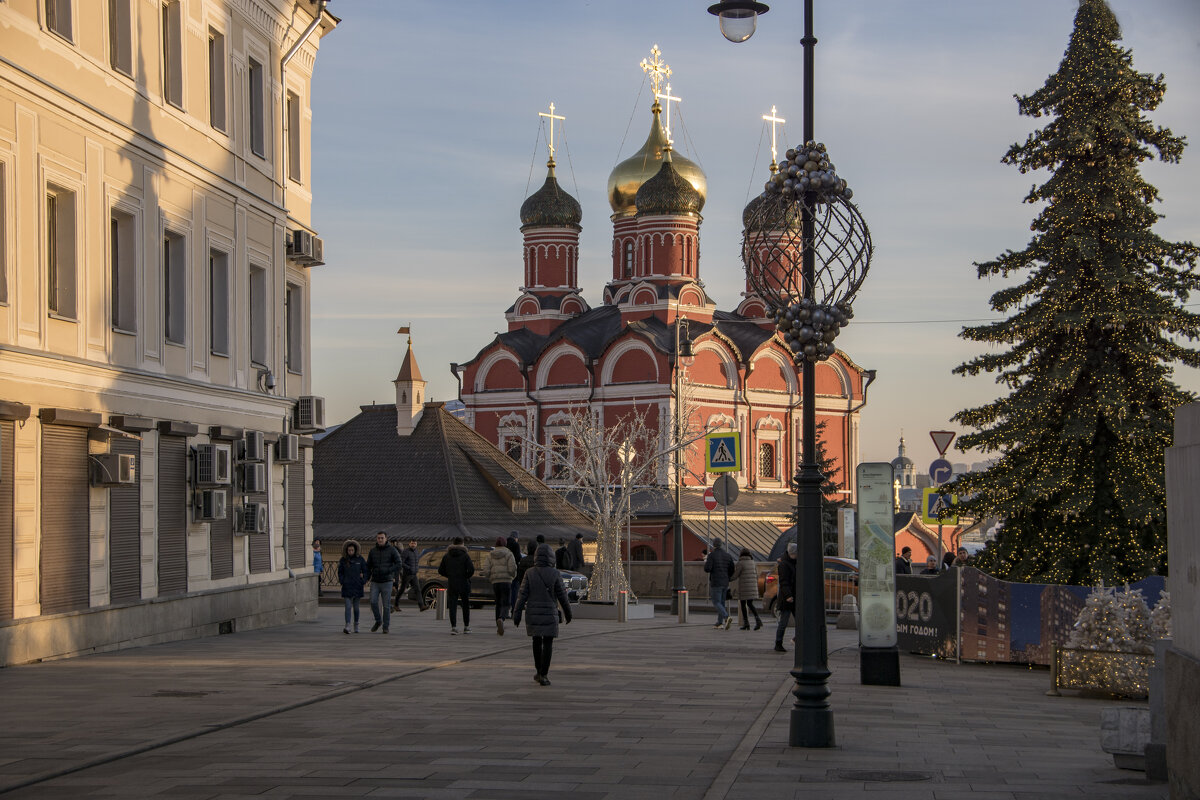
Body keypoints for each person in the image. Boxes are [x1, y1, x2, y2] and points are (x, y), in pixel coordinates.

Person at [513, 543, 573, 685]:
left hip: (533, 612)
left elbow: (522, 595)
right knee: (548, 642)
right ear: (551, 557)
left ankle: (538, 671)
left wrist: (517, 614)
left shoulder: (530, 573)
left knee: (536, 641)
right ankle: (544, 674)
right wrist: (568, 612)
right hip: (549, 612)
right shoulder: (555, 573)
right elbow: (562, 596)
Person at [438, 536, 475, 634]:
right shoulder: (465, 556)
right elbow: (471, 570)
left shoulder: (446, 556)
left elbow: (440, 570)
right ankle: (466, 627)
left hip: (452, 583)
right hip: (464, 582)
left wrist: (450, 575)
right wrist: (466, 576)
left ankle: (454, 627)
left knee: (453, 605)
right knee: (465, 605)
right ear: (462, 544)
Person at [366, 532, 402, 633]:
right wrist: (366, 577)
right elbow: (368, 566)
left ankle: (386, 626)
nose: (380, 540)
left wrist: (389, 570)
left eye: (382, 538)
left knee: (386, 605)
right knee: (373, 601)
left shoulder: (392, 550)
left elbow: (399, 563)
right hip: (375, 580)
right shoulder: (373, 551)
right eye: (378, 538)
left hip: (387, 580)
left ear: (386, 539)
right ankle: (378, 621)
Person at [483, 536, 517, 635]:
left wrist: (490, 577)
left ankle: (498, 622)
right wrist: (513, 577)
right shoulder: (509, 554)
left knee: (498, 602)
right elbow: (512, 569)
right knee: (506, 602)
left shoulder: (490, 555)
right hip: (506, 581)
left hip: (495, 582)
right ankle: (502, 618)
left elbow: (486, 570)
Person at [704, 538, 736, 630]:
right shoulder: (727, 555)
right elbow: (732, 569)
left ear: (714, 545)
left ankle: (726, 617)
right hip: (725, 582)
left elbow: (707, 569)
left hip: (716, 582)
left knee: (716, 602)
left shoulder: (712, 555)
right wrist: (727, 577)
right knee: (721, 603)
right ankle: (719, 623)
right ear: (721, 544)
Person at [337, 540, 368, 634]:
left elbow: (365, 571)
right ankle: (347, 624)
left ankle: (356, 624)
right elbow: (340, 572)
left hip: (357, 586)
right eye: (349, 550)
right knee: (347, 606)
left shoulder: (360, 559)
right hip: (347, 586)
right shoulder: (343, 560)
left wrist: (363, 581)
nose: (350, 552)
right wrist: (342, 581)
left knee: (356, 607)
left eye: (352, 550)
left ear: (355, 550)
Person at [731, 548, 763, 630]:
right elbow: (756, 574)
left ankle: (746, 623)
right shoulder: (752, 562)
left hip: (744, 588)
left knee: (743, 604)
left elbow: (735, 575)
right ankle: (757, 619)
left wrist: (728, 578)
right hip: (752, 587)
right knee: (750, 604)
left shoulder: (740, 563)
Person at [774, 542, 797, 652]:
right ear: (792, 553)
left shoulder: (793, 562)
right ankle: (778, 643)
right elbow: (784, 582)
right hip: (787, 597)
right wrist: (788, 595)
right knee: (783, 622)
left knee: (801, 621)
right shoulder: (784, 565)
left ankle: (796, 639)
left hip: (794, 596)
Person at [395, 539, 424, 611]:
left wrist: (416, 568)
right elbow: (401, 562)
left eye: (414, 543)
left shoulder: (416, 552)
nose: (413, 544)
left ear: (416, 544)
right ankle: (396, 604)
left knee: (418, 590)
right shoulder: (406, 552)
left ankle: (421, 606)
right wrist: (409, 568)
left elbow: (416, 562)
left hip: (414, 574)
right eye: (412, 543)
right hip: (407, 574)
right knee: (402, 589)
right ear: (409, 544)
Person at [506, 532, 523, 608]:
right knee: (514, 591)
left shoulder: (505, 544)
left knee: (506, 591)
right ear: (516, 538)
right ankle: (513, 608)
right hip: (514, 571)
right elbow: (518, 557)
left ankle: (505, 611)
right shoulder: (516, 545)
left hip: (505, 571)